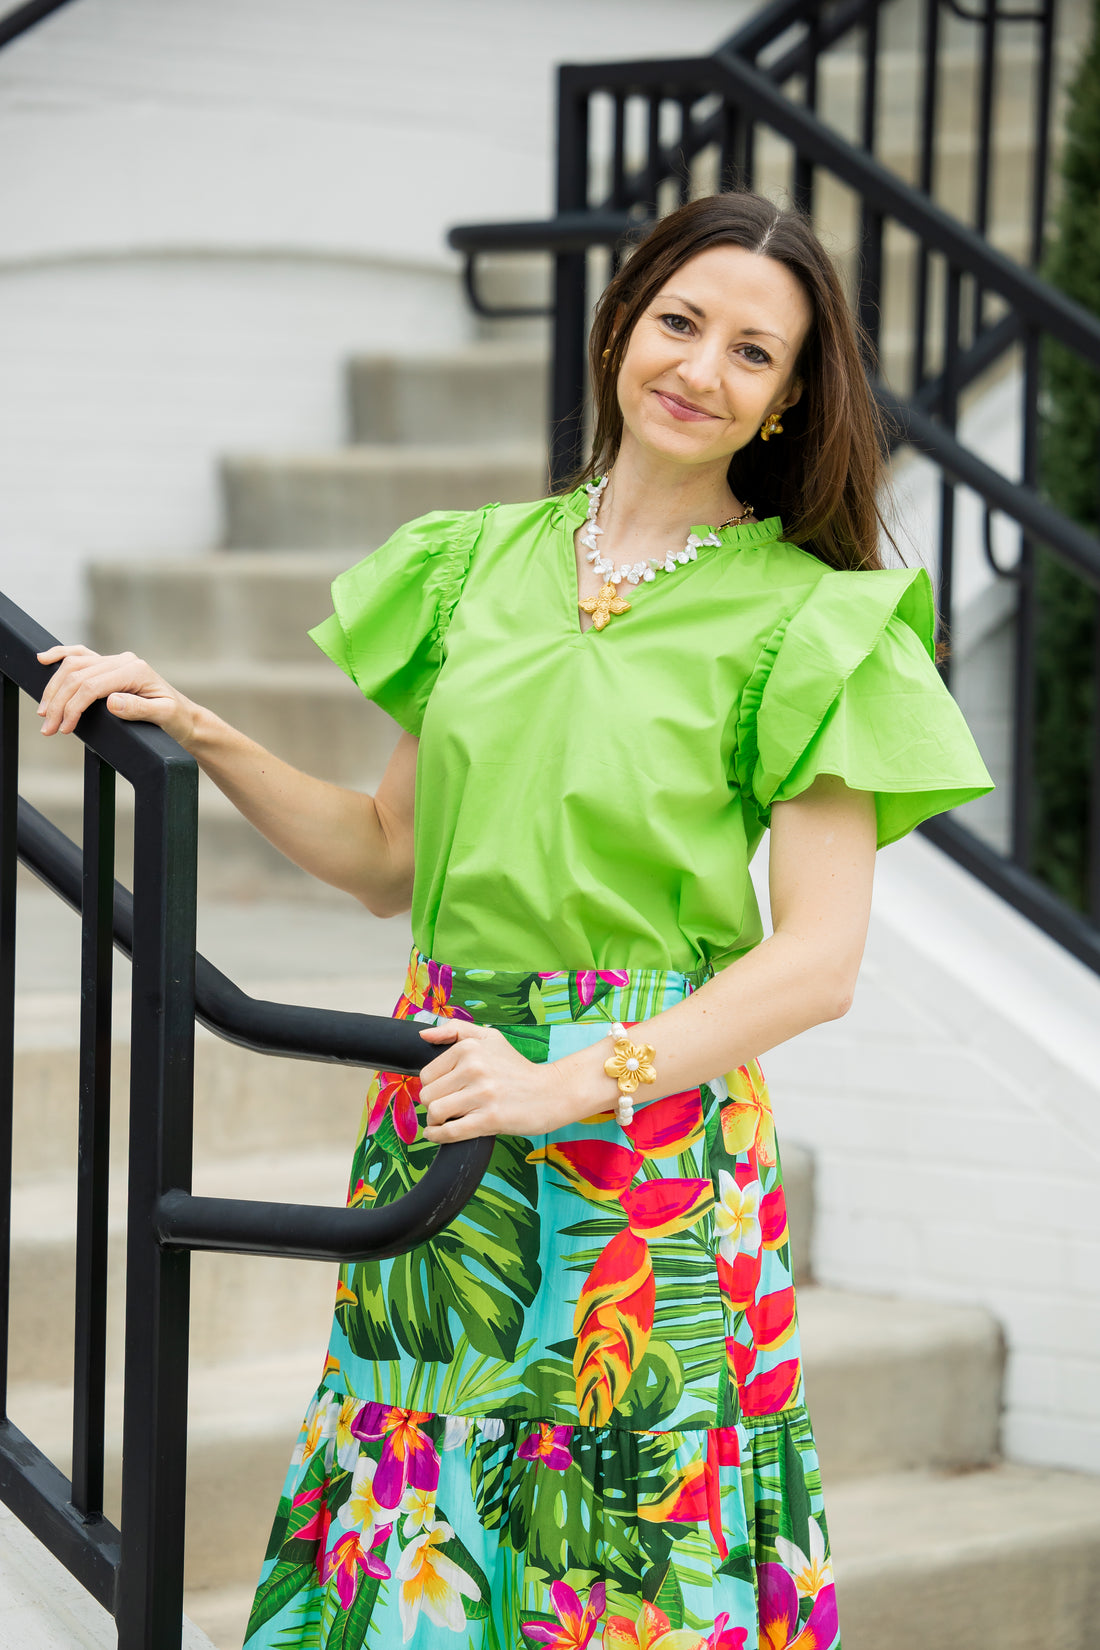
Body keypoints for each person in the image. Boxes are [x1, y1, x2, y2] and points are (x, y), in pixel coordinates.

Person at [37, 191, 992, 1650]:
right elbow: (379, 855)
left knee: (620, 1564)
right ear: (622, 325)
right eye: (681, 321)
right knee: (421, 1537)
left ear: (791, 398)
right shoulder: (476, 561)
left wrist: (572, 1074)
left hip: (645, 1135)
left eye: (753, 351)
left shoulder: (821, 622)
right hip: (443, 1099)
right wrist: (195, 726)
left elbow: (818, 960)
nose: (701, 367)